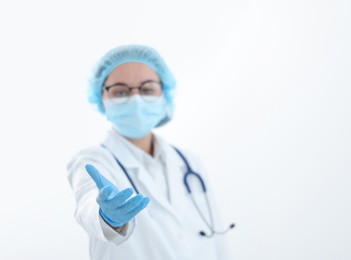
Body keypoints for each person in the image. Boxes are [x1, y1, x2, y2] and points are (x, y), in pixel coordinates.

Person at [67, 45, 233, 260]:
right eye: (120, 91)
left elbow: (217, 242)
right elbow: (87, 203)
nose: (135, 99)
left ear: (164, 94)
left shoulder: (191, 163)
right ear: (102, 99)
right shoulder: (92, 161)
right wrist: (106, 217)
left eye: (147, 89)